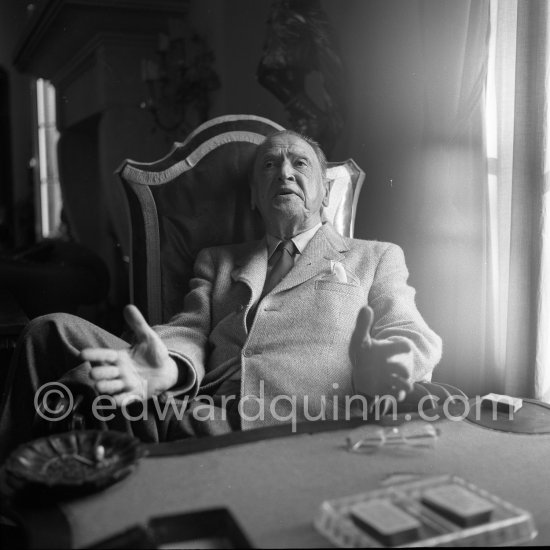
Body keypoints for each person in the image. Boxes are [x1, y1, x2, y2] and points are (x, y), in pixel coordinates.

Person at [0, 130, 442, 461]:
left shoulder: (375, 256)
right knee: (49, 331)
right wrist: (169, 367)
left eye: (299, 163)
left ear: (325, 192)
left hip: (299, 423)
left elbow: (410, 333)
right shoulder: (218, 260)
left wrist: (395, 364)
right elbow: (189, 331)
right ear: (253, 196)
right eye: (268, 166)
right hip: (193, 415)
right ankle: (15, 498)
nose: (283, 171)